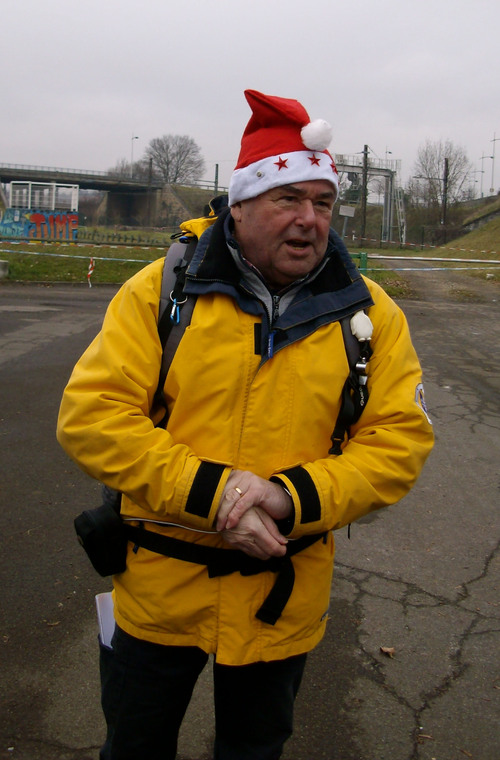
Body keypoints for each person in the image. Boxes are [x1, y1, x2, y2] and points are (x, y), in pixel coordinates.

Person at [57, 89, 434, 760]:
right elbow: (92, 417)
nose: (309, 220)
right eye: (288, 199)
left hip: (279, 607)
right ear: (240, 205)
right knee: (135, 745)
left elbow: (398, 443)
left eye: (322, 203)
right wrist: (217, 493)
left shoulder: (371, 317)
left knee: (254, 751)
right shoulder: (161, 290)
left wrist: (291, 496)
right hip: (156, 600)